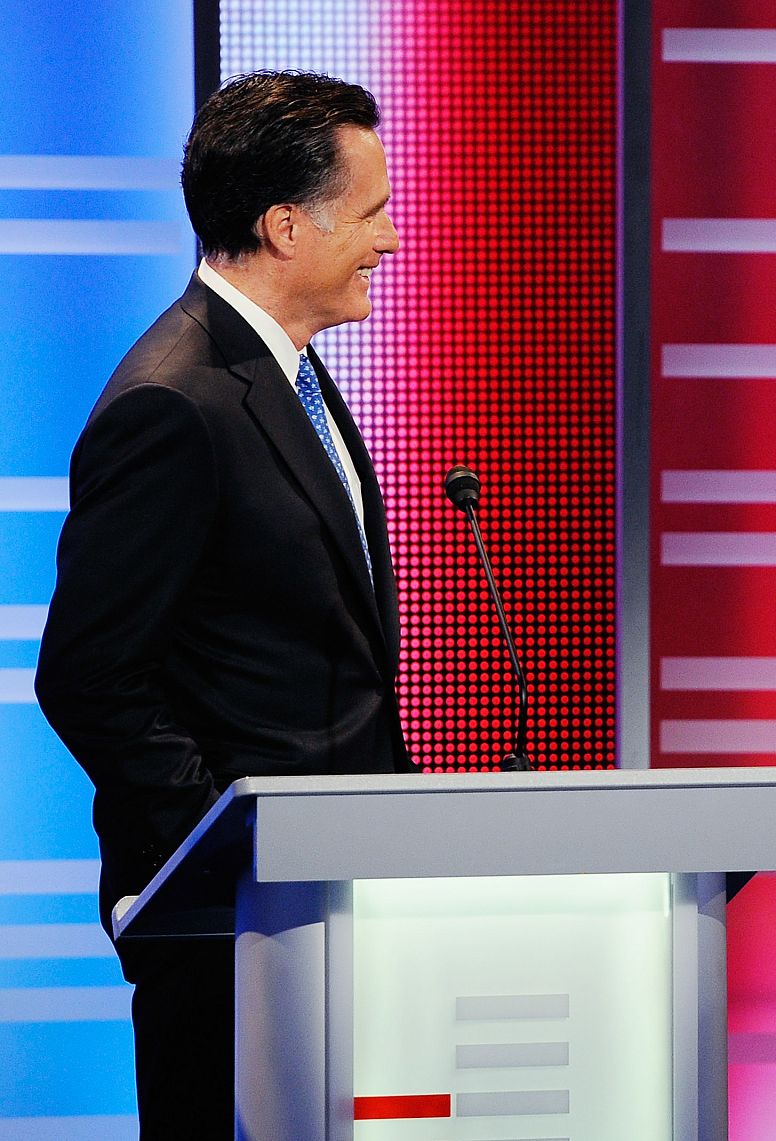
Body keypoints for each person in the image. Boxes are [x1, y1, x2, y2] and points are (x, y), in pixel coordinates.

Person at [34, 70, 410, 1139]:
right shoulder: (173, 398)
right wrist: (225, 848)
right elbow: (89, 674)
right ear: (286, 225)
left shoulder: (285, 371)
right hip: (237, 929)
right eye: (374, 212)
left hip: (340, 904)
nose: (390, 239)